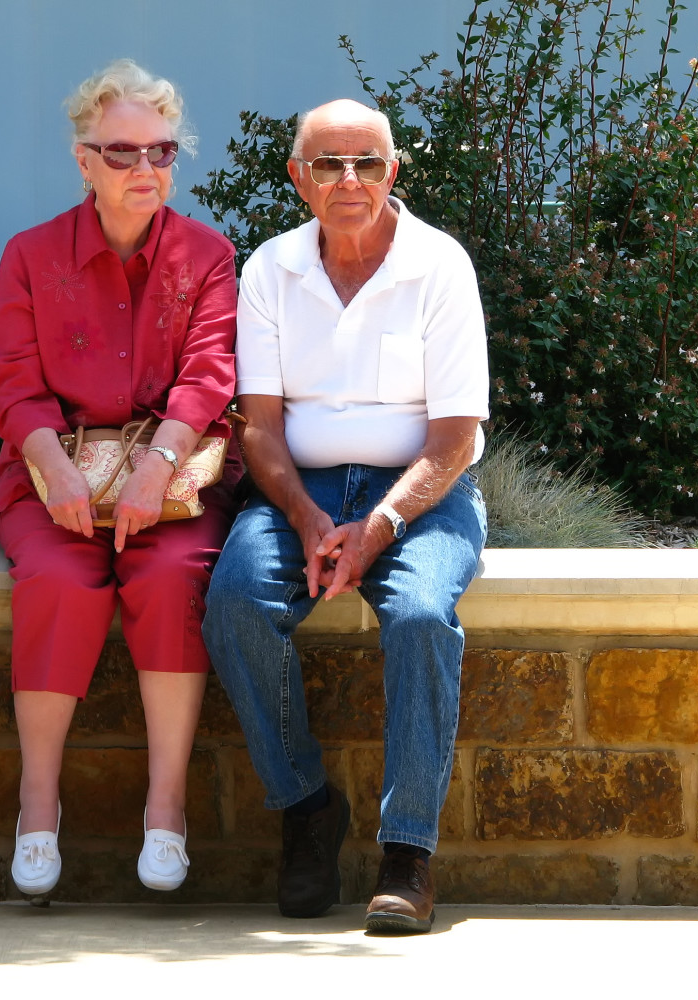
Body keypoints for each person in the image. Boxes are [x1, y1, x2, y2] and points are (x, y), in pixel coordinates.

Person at [202, 98, 488, 934]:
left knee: (424, 618)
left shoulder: (440, 265)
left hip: (423, 493)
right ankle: (306, 807)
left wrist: (381, 526)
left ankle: (408, 854)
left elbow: (455, 436)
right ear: (299, 179)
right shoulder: (270, 270)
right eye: (328, 163)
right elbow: (257, 423)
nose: (350, 179)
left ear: (394, 171)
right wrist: (299, 513)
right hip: (303, 490)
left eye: (367, 161)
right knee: (235, 606)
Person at [0, 59, 239, 897]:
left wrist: (157, 464)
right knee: (58, 581)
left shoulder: (207, 254)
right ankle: (39, 802)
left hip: (169, 479)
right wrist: (54, 469)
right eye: (121, 153)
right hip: (50, 476)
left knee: (171, 580)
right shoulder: (31, 256)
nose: (145, 170)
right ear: (84, 160)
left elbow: (208, 375)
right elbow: (14, 383)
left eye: (161, 152)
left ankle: (166, 809)